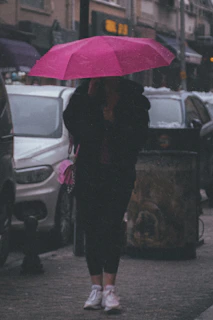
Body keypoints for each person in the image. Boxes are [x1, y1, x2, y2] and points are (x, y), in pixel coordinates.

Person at [63, 76, 150, 313]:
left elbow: (141, 136)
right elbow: (73, 124)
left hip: (118, 175)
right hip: (89, 174)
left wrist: (115, 120)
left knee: (111, 227)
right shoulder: (84, 95)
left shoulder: (133, 98)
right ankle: (95, 287)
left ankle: (110, 288)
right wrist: (91, 101)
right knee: (90, 228)